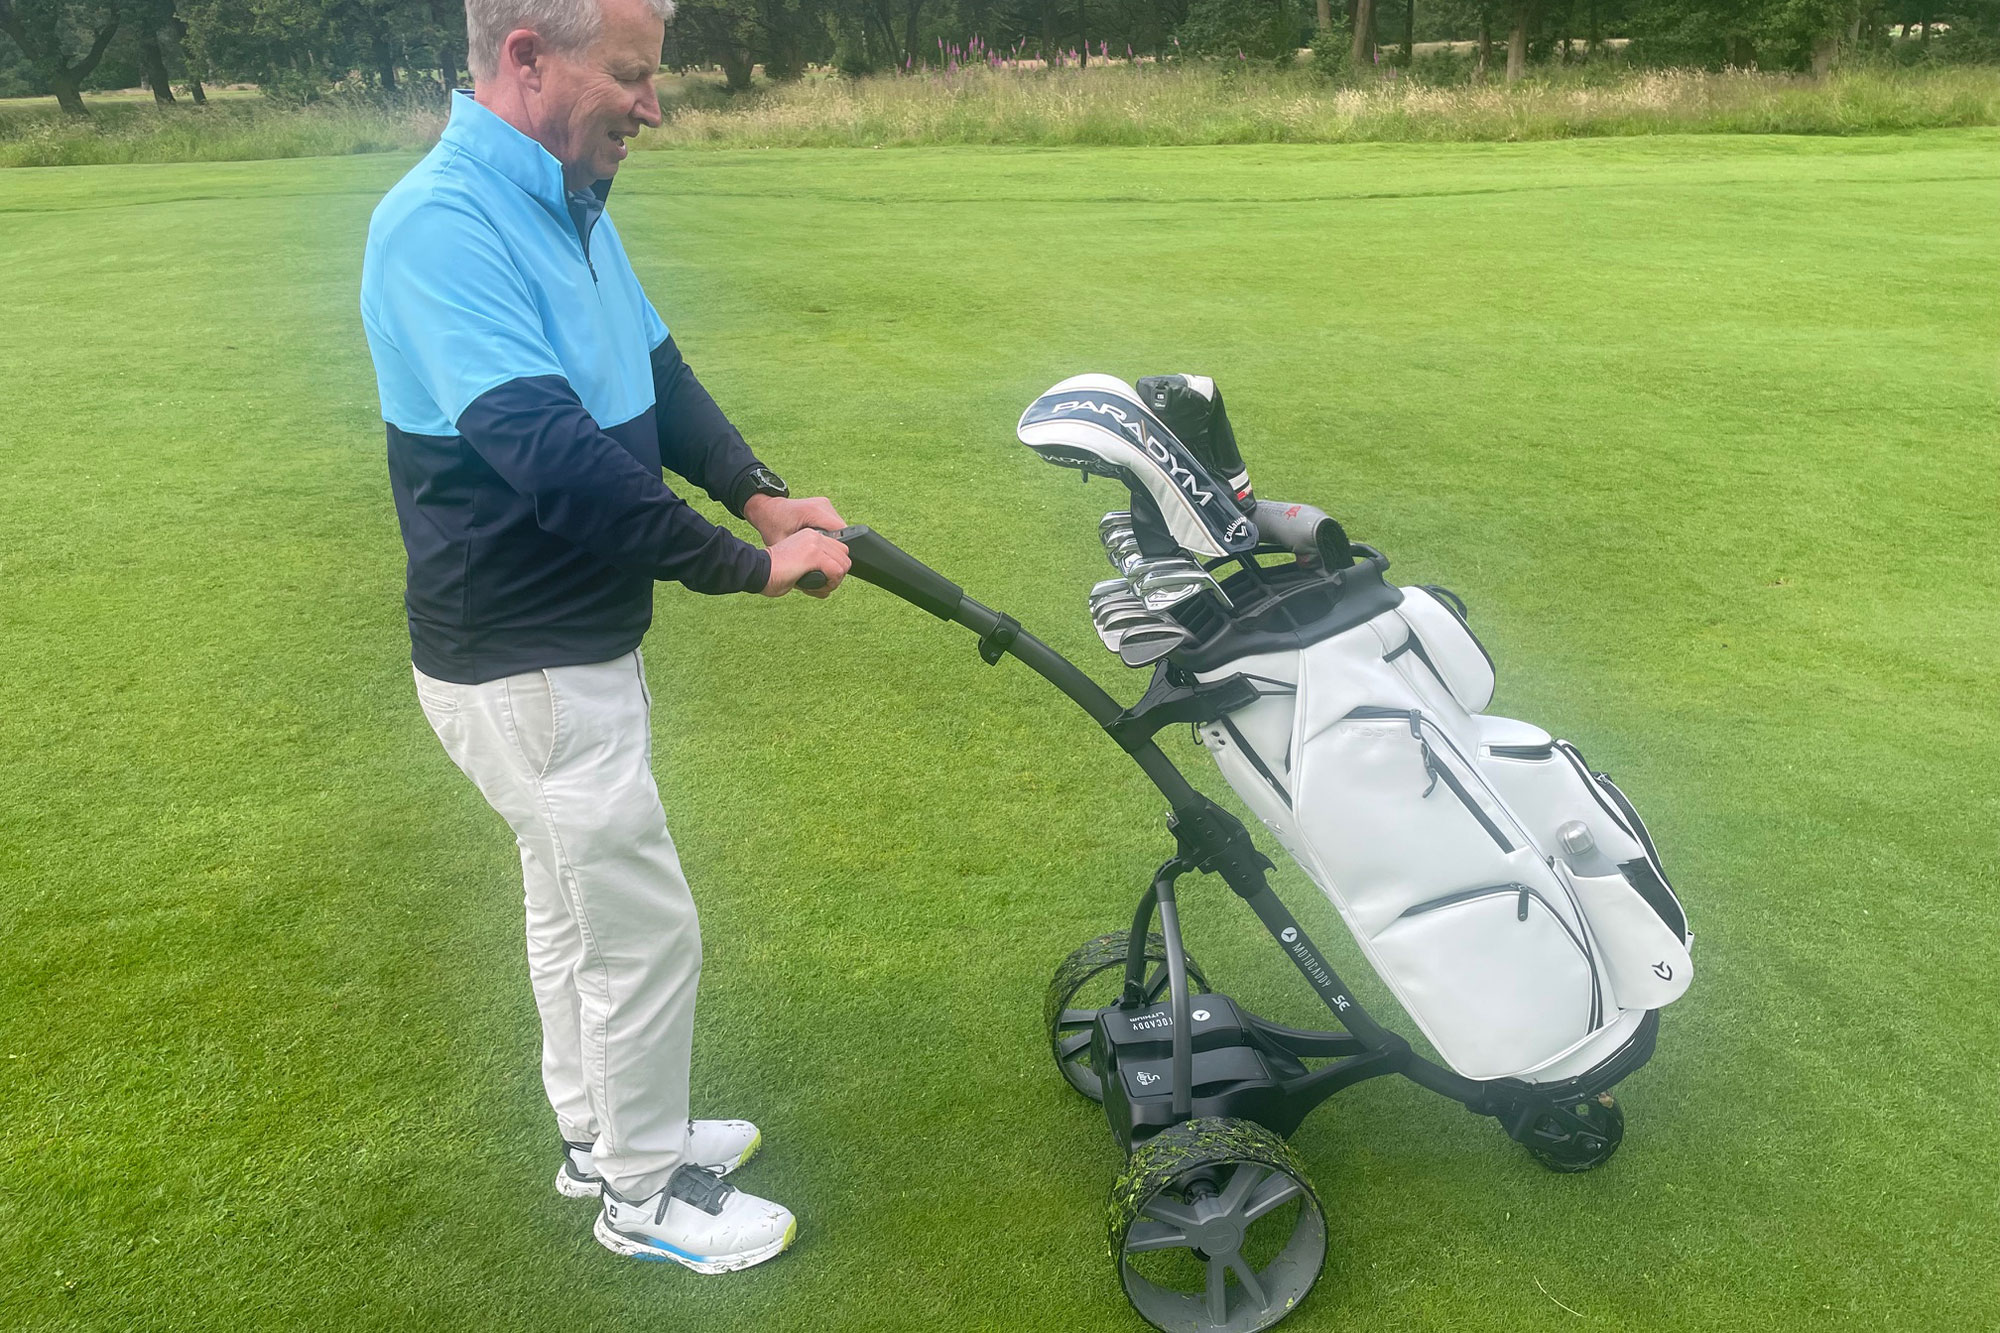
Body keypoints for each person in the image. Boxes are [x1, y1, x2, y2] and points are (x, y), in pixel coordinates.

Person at [357, 0, 851, 1275]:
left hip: (565, 646)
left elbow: (653, 372)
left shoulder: (566, 201)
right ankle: (641, 1193)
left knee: (574, 906)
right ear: (528, 59)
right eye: (630, 74)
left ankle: (600, 1134)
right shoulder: (441, 223)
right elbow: (556, 460)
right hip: (521, 658)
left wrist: (757, 493)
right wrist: (747, 566)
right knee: (636, 925)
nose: (652, 104)